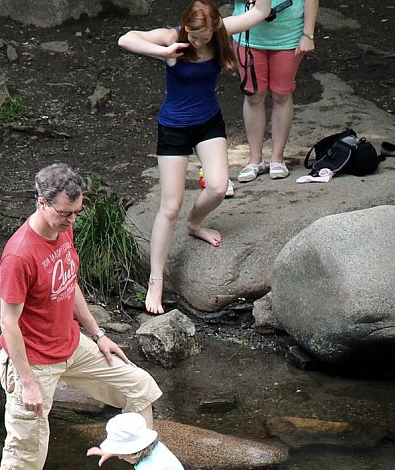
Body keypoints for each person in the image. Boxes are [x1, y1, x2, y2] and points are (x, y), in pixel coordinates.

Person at [0, 163, 162, 470]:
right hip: (32, 359)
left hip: (71, 346)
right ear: (42, 202)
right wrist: (28, 382)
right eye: (64, 213)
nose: (71, 221)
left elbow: (68, 285)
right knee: (25, 449)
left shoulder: (63, 229)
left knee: (138, 387)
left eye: (76, 213)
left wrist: (99, 334)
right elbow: (9, 323)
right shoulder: (20, 254)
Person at [118, 0, 272, 315]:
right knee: (170, 206)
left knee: (217, 187)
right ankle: (156, 280)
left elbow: (259, 12)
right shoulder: (172, 36)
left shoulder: (221, 31)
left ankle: (196, 223)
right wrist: (161, 52)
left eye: (203, 35)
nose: (197, 41)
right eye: (193, 33)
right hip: (173, 127)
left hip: (208, 123)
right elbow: (126, 38)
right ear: (185, 24)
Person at [233, 0, 319, 182]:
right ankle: (255, 159)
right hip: (248, 34)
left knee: (282, 94)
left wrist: (308, 34)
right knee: (253, 96)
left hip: (288, 36)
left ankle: (277, 159)